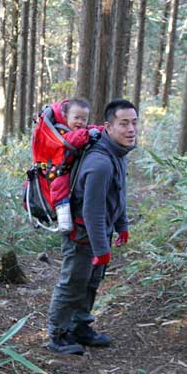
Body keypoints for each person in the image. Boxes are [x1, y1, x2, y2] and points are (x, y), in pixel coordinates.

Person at [46, 98, 139, 355]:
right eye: (124, 124)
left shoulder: (117, 153)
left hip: (99, 232)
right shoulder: (100, 162)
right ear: (109, 126)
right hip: (82, 233)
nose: (131, 129)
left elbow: (117, 193)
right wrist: (101, 249)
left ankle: (80, 327)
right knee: (73, 282)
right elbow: (92, 210)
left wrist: (122, 225)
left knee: (90, 282)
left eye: (134, 122)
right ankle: (57, 334)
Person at [46, 99, 103, 232]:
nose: (80, 122)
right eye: (76, 118)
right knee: (60, 190)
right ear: (66, 117)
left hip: (70, 168)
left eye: (84, 119)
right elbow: (73, 139)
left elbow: (91, 129)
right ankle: (63, 221)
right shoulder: (61, 132)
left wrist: (104, 130)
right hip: (59, 171)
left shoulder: (82, 130)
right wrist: (88, 134)